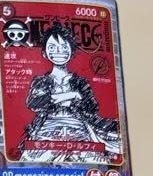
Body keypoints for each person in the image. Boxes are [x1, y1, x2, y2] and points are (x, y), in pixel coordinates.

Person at [18, 24, 122, 165]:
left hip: (78, 127)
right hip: (47, 128)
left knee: (95, 162)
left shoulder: (80, 81)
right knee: (30, 163)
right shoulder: (41, 80)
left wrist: (68, 97)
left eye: (64, 47)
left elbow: (92, 107)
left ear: (72, 51)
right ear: (44, 53)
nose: (59, 52)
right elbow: (33, 102)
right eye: (52, 48)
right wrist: (71, 95)